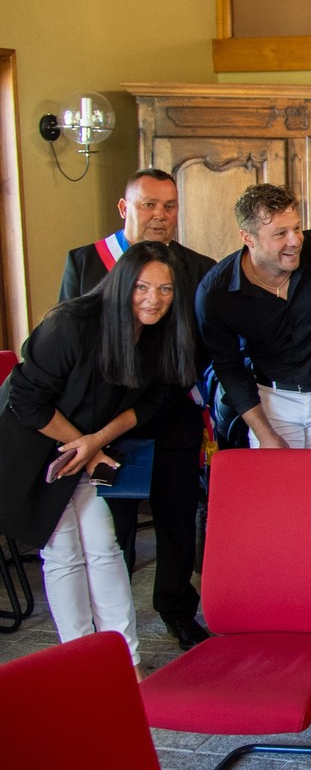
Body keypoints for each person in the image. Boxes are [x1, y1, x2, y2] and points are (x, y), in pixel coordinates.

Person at [0, 242, 194, 677]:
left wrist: (96, 444)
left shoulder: (163, 331)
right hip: (33, 444)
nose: (154, 299)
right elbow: (25, 400)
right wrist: (84, 447)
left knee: (104, 546)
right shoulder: (72, 324)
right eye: (142, 287)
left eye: (165, 289)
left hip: (86, 444)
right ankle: (82, 667)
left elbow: (155, 399)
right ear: (122, 284)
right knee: (64, 550)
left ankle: (126, 662)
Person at [57, 168, 214, 650]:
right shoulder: (86, 262)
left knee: (175, 518)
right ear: (125, 208)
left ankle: (176, 608)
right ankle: (114, 616)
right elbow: (69, 344)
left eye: (169, 206)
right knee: (114, 526)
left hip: (171, 412)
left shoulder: (197, 267)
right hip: (106, 424)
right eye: (149, 205)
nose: (159, 215)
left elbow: (202, 345)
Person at [197, 184, 311, 450]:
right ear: (248, 238)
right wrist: (264, 433)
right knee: (278, 476)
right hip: (272, 401)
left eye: (297, 228)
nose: (295, 241)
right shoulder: (216, 293)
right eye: (280, 234)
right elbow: (229, 369)